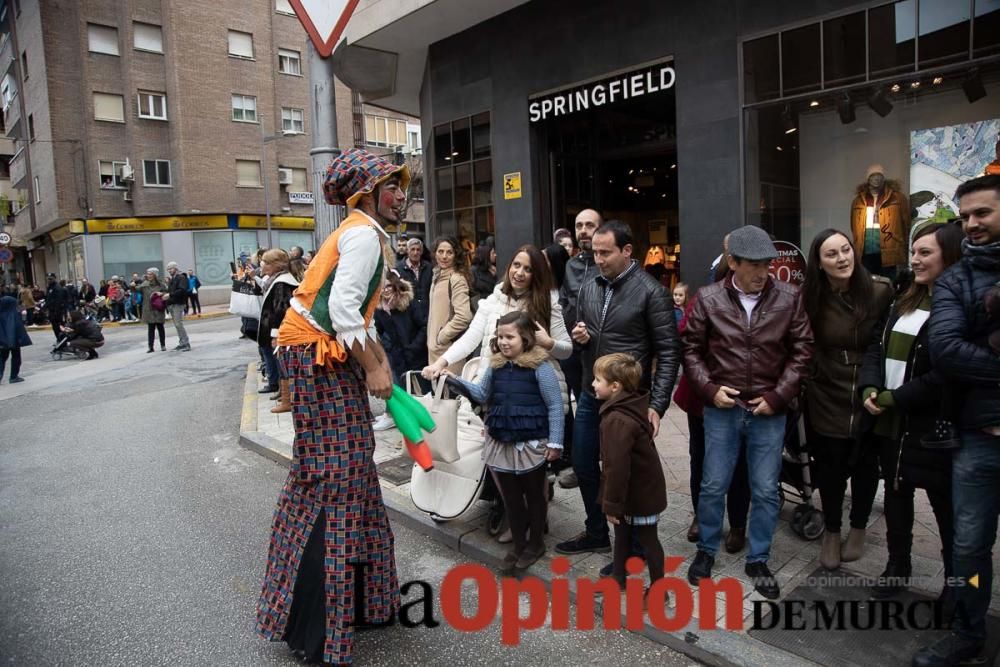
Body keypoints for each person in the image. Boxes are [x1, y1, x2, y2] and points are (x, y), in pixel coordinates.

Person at [257, 148, 404, 666]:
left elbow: (356, 317)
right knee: (335, 481)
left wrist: (380, 359)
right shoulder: (362, 233)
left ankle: (367, 603)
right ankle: (316, 634)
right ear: (366, 194)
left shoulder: (363, 233)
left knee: (350, 472)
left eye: (401, 184)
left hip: (316, 356)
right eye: (391, 185)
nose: (401, 194)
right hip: (318, 359)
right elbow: (342, 310)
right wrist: (372, 367)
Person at [683, 224, 813, 599]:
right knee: (712, 486)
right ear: (732, 262)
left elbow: (803, 350)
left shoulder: (789, 297)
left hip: (768, 411)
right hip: (723, 408)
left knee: (766, 490)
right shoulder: (708, 299)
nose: (762, 273)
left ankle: (758, 558)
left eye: (767, 264)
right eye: (754, 265)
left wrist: (779, 395)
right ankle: (706, 551)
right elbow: (689, 348)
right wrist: (708, 389)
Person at [914, 175, 1000, 667]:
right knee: (969, 548)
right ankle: (968, 631)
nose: (971, 224)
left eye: (981, 214)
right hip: (978, 440)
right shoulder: (955, 279)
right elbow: (946, 352)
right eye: (965, 216)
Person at [557, 220, 679, 562]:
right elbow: (581, 333)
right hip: (589, 391)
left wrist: (657, 405)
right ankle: (597, 533)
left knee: (622, 474)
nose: (598, 259)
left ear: (627, 251)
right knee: (583, 464)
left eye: (605, 252)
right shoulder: (589, 286)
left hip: (628, 401)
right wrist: (580, 338)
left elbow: (669, 352)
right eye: (595, 252)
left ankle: (633, 548)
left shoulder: (653, 293)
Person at [859, 221, 964, 607]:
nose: (914, 260)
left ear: (950, 255)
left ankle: (957, 583)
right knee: (897, 495)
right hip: (890, 421)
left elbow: (945, 374)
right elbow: (876, 345)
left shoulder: (959, 305)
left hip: (932, 425)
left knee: (947, 508)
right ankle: (897, 566)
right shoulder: (904, 295)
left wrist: (894, 398)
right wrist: (870, 388)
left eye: (925, 253)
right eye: (914, 252)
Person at [801, 228, 893, 570]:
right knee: (831, 467)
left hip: (868, 391)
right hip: (826, 392)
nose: (842, 259)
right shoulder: (810, 297)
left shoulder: (881, 290)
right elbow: (802, 342)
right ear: (819, 263)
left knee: (867, 466)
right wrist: (810, 379)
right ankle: (832, 530)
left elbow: (883, 342)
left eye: (845, 250)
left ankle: (857, 528)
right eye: (832, 254)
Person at [443, 311, 563, 573]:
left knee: (534, 496)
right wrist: (453, 379)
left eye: (510, 337)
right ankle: (519, 544)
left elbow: (555, 406)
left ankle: (536, 544)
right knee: (511, 499)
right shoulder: (495, 366)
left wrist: (555, 443)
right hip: (500, 440)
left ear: (526, 338)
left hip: (530, 444)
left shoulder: (541, 368)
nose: (504, 342)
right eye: (500, 337)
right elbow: (481, 394)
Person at [593, 352, 667, 588]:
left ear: (615, 386)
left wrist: (611, 504)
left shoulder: (617, 420)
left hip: (640, 493)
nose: (593, 384)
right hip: (632, 489)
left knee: (648, 540)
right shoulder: (628, 405)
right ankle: (618, 578)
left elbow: (616, 466)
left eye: (597, 380)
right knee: (622, 534)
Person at [556, 208, 603, 490]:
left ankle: (609, 466)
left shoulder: (608, 264)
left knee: (606, 413)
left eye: (589, 225)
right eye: (579, 226)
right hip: (574, 353)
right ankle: (582, 463)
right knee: (580, 408)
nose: (583, 230)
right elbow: (564, 303)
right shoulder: (571, 266)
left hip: (603, 352)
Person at [373, 270, 428, 431]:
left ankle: (412, 417)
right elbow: (380, 330)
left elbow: (423, 326)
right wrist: (386, 347)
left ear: (395, 285)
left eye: (389, 286)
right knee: (396, 386)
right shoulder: (381, 308)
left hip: (414, 353)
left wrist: (414, 347)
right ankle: (392, 415)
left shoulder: (408, 302)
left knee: (418, 389)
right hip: (395, 354)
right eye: (383, 287)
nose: (386, 290)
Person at [257, 249, 300, 410]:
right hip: (276, 330)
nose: (264, 265)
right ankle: (284, 396)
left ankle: (287, 401)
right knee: (280, 363)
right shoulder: (276, 280)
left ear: (277, 265)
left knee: (283, 365)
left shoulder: (282, 282)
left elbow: (281, 310)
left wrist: (276, 334)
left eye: (267, 262)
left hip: (281, 331)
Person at [426, 236, 473, 375]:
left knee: (450, 394)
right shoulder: (437, 275)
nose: (444, 256)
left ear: (455, 255)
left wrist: (442, 337)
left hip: (449, 351)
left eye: (449, 252)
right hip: (436, 350)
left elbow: (464, 316)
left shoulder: (456, 278)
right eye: (440, 251)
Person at [0, 293, 31, 383]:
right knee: (16, 357)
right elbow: (19, 329)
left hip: (3, 342)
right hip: (15, 341)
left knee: (2, 357)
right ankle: (13, 376)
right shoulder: (14, 315)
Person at [396, 237, 432, 310]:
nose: (415, 253)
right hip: (408, 312)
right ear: (407, 251)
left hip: (427, 311)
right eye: (412, 249)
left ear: (421, 252)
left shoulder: (429, 268)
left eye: (418, 250)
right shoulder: (398, 268)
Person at [137, 268, 168, 353]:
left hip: (158, 308)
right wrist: (132, 285)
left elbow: (166, 293)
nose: (148, 275)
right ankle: (150, 347)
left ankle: (163, 345)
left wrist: (161, 293)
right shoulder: (145, 284)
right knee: (151, 329)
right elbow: (137, 289)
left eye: (150, 274)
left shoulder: (161, 284)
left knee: (160, 328)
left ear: (155, 275)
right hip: (149, 309)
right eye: (148, 274)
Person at [165, 262, 191, 351]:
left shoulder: (181, 277)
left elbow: (182, 290)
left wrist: (169, 295)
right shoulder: (173, 278)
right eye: (168, 269)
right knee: (177, 325)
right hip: (172, 303)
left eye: (171, 268)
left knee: (178, 324)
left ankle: (186, 343)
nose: (169, 270)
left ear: (175, 268)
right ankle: (182, 342)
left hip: (178, 303)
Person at [45, 274, 68, 342]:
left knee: (59, 327)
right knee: (55, 327)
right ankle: (59, 340)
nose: (49, 280)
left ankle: (62, 341)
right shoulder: (50, 287)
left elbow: (59, 301)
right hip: (52, 311)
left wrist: (56, 312)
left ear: (55, 278)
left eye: (51, 279)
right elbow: (48, 299)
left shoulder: (57, 288)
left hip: (57, 312)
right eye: (48, 279)